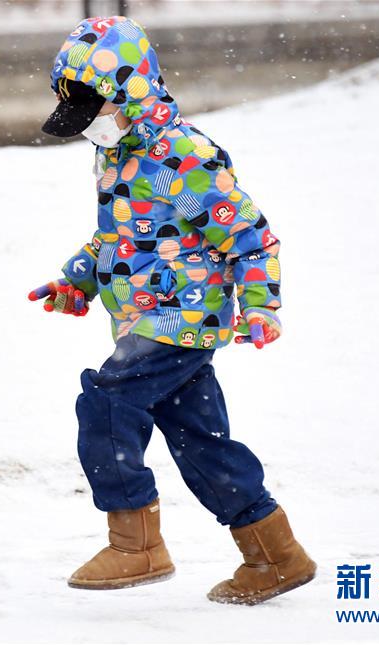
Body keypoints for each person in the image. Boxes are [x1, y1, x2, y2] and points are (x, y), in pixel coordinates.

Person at [28, 16, 316, 604]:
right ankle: (275, 555)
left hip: (177, 318)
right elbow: (122, 238)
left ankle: (136, 545)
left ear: (130, 93)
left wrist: (260, 304)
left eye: (95, 112)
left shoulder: (182, 156)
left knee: (106, 403)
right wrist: (78, 280)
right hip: (148, 318)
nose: (90, 128)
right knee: (201, 443)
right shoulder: (121, 155)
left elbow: (249, 238)